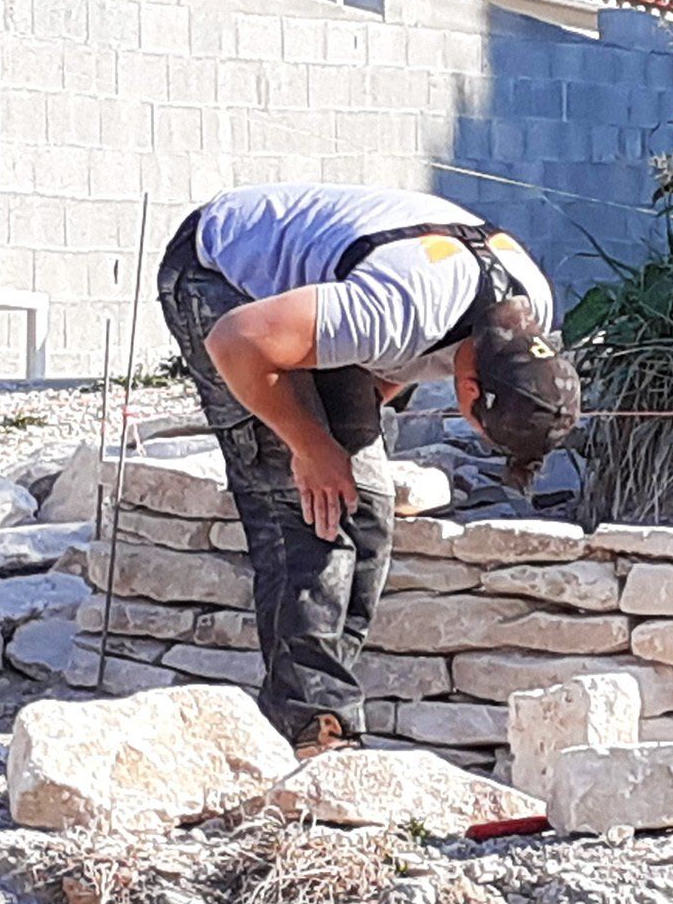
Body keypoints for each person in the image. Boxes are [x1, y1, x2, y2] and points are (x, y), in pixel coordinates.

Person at [155, 183, 581, 758]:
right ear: (472, 390)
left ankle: (320, 707)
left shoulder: (531, 312)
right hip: (220, 269)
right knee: (306, 507)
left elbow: (408, 357)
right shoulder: (395, 311)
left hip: (330, 293)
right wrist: (309, 445)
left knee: (366, 507)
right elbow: (238, 342)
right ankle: (308, 728)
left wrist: (349, 429)